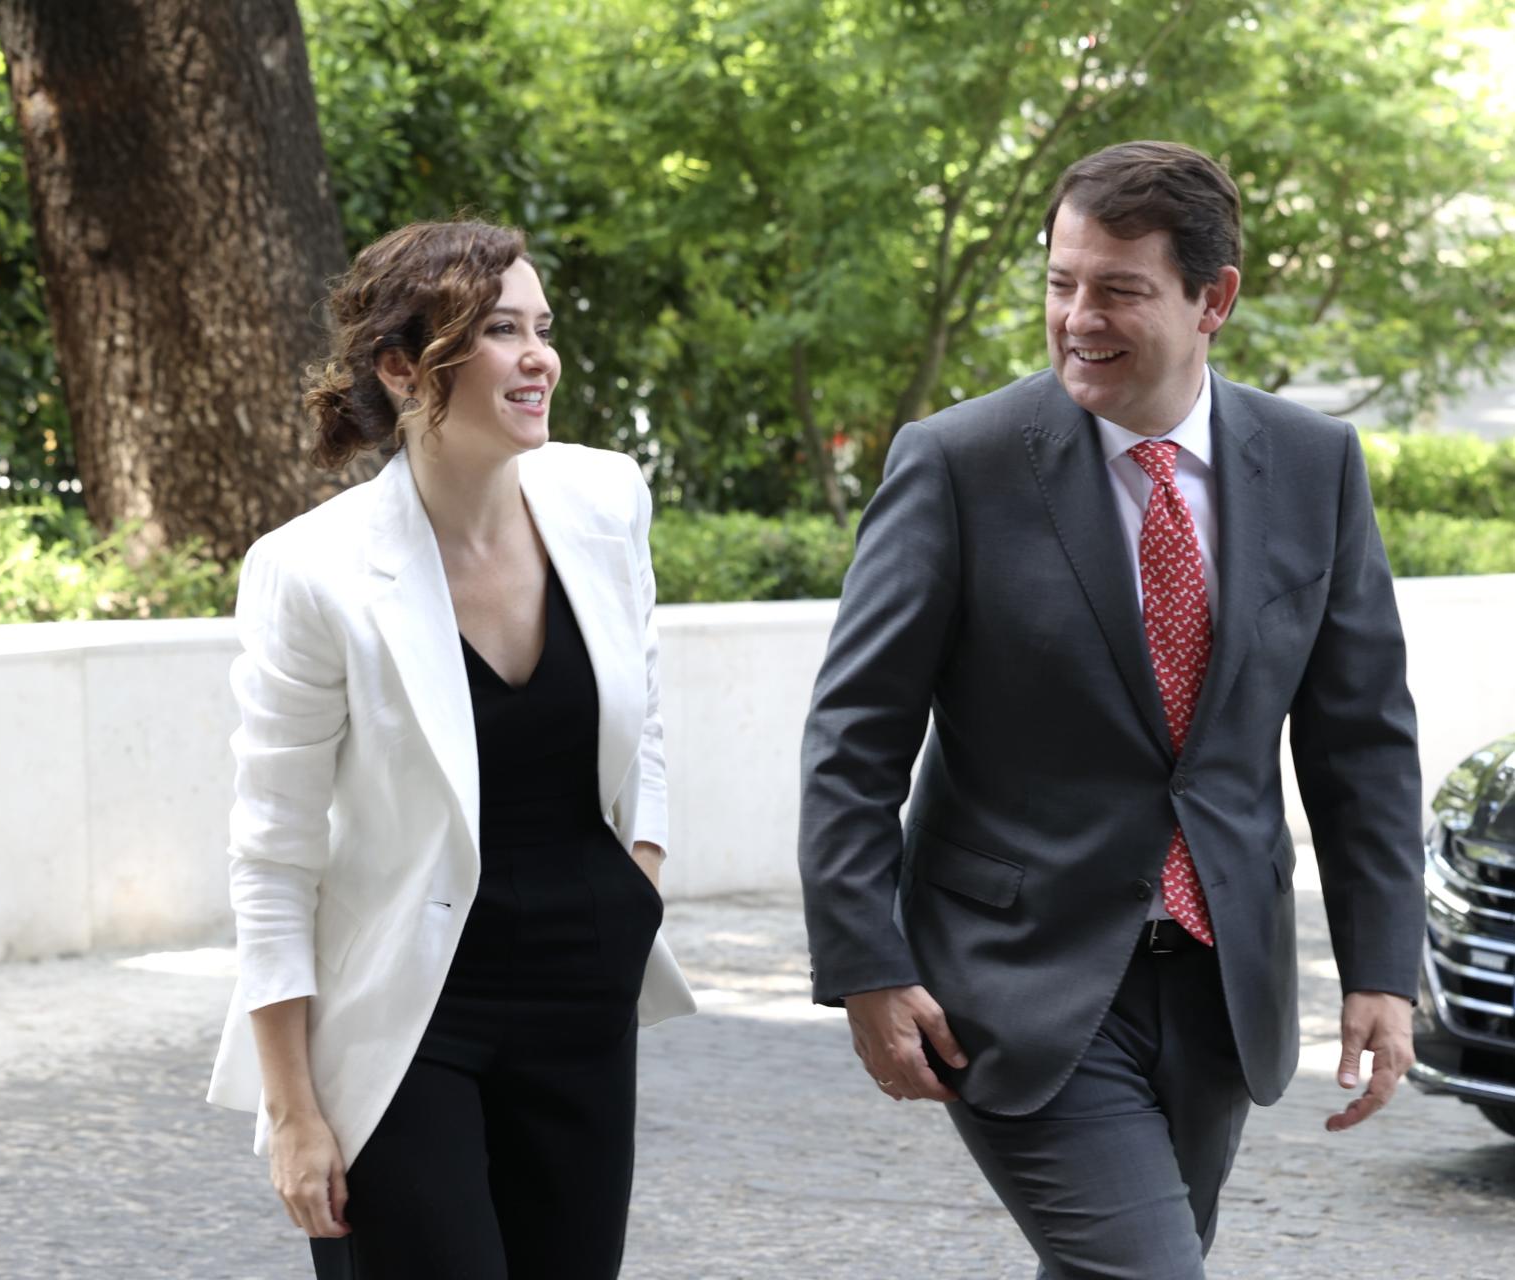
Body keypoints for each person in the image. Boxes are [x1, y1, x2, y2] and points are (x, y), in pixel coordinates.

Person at [797, 140, 1423, 1277]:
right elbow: (854, 739)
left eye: (1118, 289)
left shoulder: (1312, 464)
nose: (1076, 316)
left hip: (1217, 984)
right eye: (1059, 281)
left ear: (1211, 299)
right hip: (1011, 977)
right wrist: (864, 963)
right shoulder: (956, 463)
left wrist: (1380, 968)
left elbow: (1360, 742)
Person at [205, 219, 695, 1279]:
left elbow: (641, 722)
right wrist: (291, 1107)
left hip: (583, 997)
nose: (539, 358)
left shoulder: (605, 499)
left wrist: (635, 881)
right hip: (409, 1013)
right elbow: (273, 854)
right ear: (400, 366)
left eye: (542, 328)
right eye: (501, 331)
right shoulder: (313, 571)